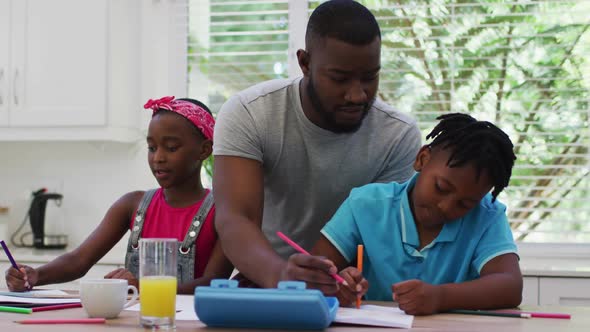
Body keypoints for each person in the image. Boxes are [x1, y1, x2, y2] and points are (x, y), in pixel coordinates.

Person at [212, 0, 422, 292]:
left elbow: (386, 240)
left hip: (357, 293)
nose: (357, 95)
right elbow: (236, 219)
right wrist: (282, 277)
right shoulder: (250, 112)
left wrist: (343, 283)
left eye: (370, 77)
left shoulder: (398, 136)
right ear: (305, 63)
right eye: (339, 79)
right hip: (266, 280)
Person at [5, 96, 234, 294]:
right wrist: (35, 276)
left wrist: (142, 287)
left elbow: (213, 283)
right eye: (152, 148)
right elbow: (79, 260)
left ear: (204, 149)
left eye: (171, 148)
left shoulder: (225, 211)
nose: (158, 158)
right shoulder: (131, 205)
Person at [312, 113, 523, 314]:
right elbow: (315, 271)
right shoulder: (365, 205)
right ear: (422, 159)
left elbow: (510, 287)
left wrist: (440, 297)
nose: (446, 207)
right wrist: (338, 284)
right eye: (441, 187)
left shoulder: (486, 215)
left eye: (465, 204)